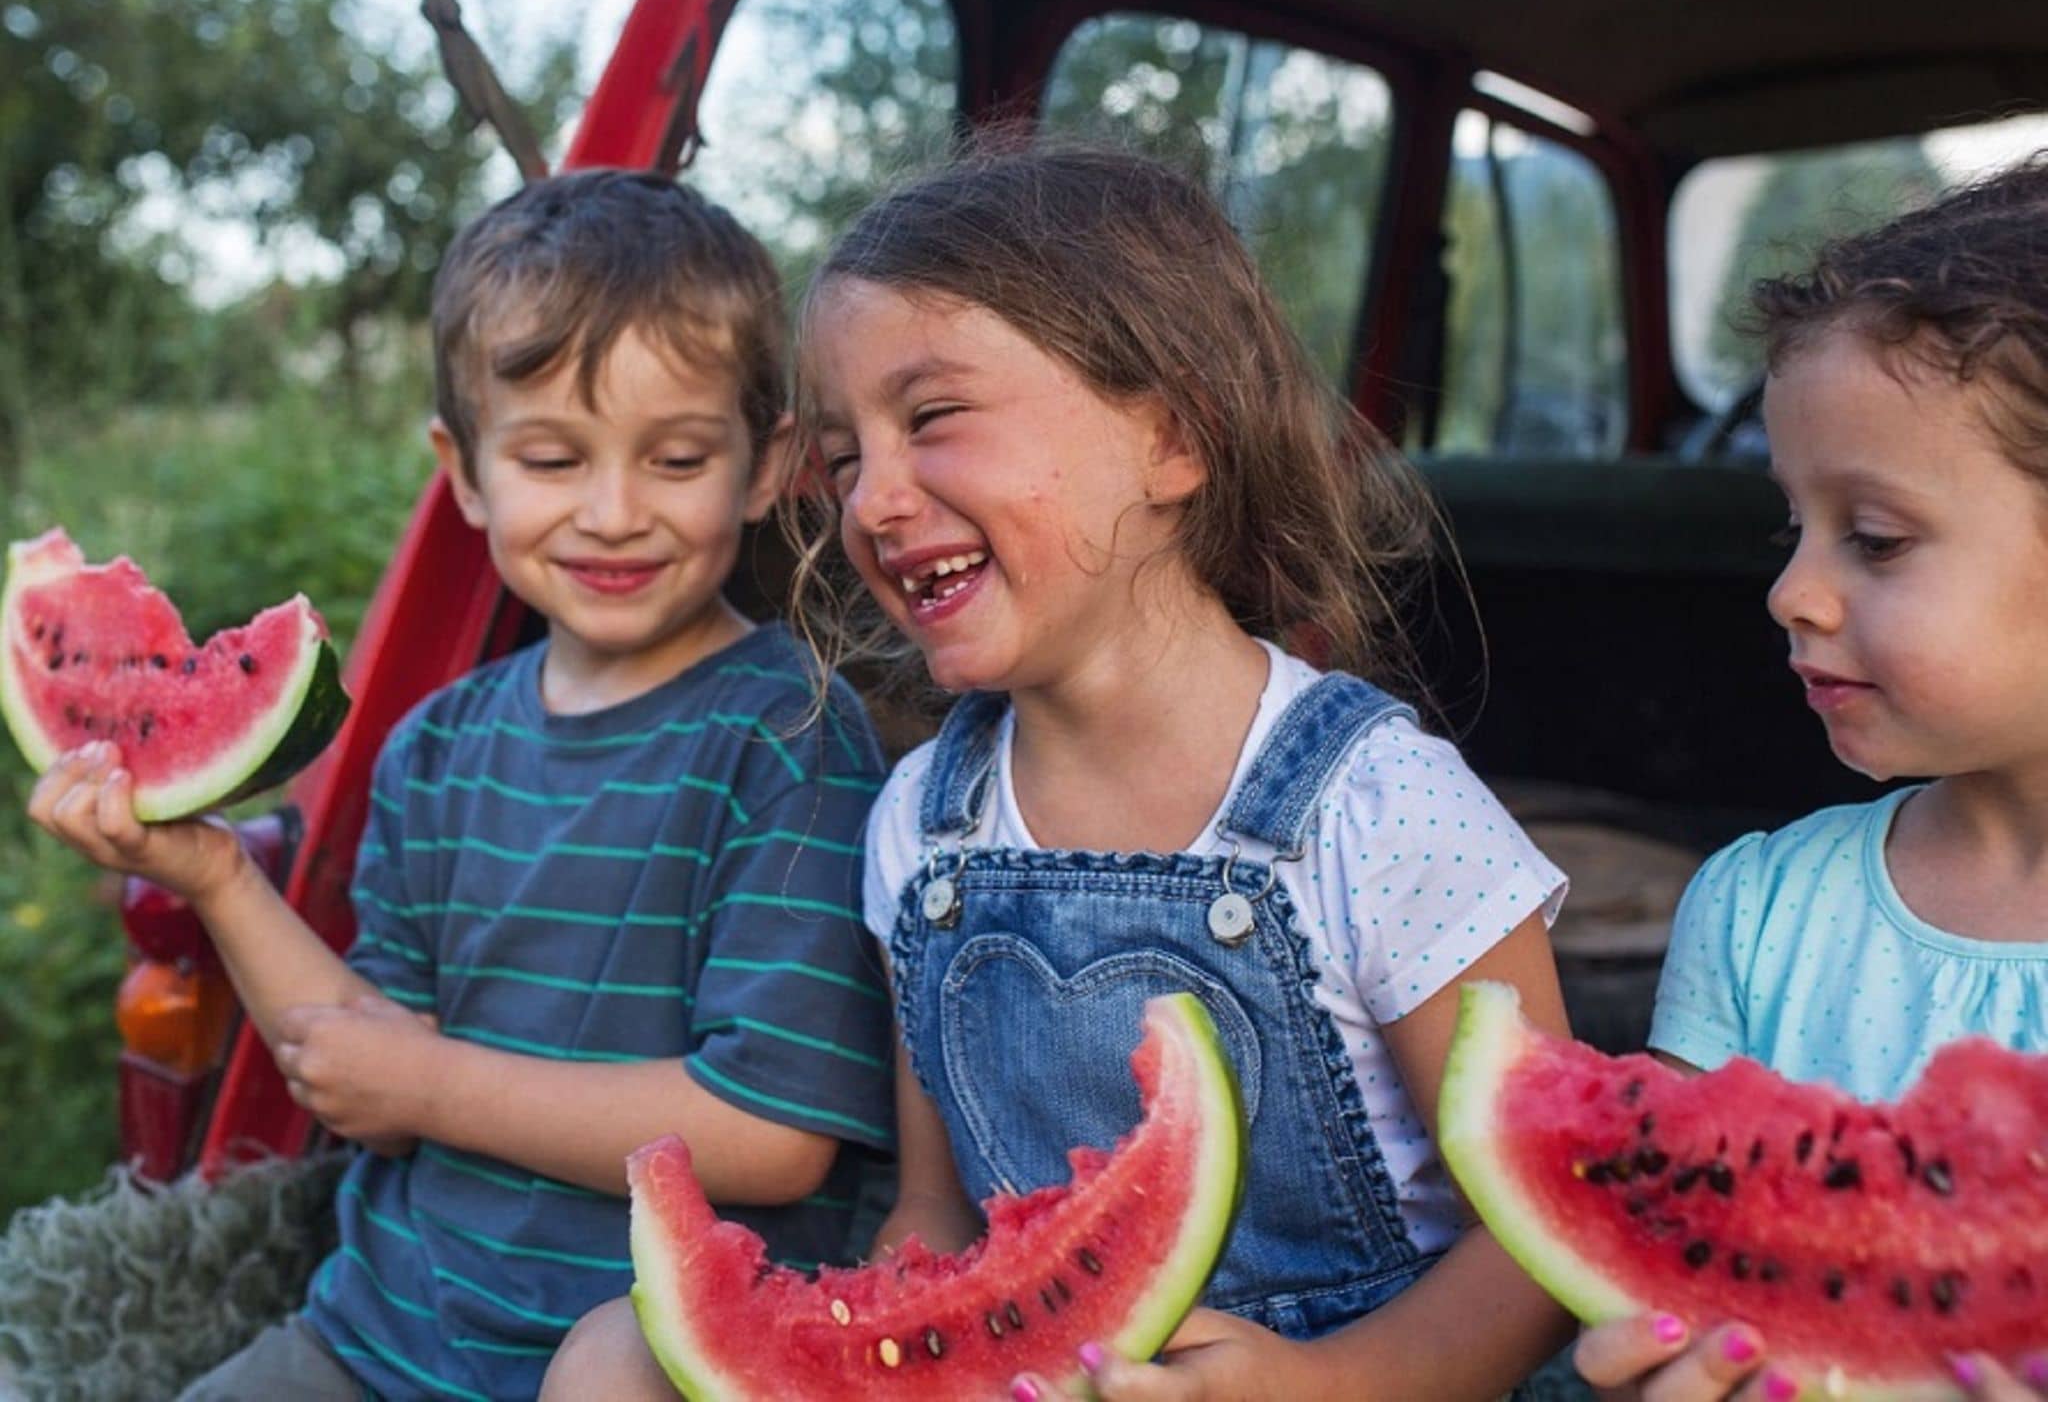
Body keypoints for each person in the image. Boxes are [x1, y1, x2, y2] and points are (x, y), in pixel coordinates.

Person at [542, 141, 1578, 1401]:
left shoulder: (1380, 808)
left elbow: (1539, 1235)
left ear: (1173, 436)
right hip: (1028, 1378)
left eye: (929, 420)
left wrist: (1332, 1384)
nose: (872, 500)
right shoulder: (920, 823)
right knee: (613, 1358)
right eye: (844, 453)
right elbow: (931, 1219)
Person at [28, 168, 894, 1401]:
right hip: (376, 1344)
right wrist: (214, 875)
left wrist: (434, 1082)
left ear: (764, 469)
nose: (612, 510)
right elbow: (365, 1087)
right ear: (468, 471)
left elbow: (771, 1137)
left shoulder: (791, 738)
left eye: (676, 457)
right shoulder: (433, 748)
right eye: (550, 456)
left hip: (652, 1364)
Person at [1573, 159, 2048, 1402]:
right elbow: (1667, 1266)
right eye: (1790, 526)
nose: (1790, 592)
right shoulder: (1757, 911)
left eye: (1874, 539)